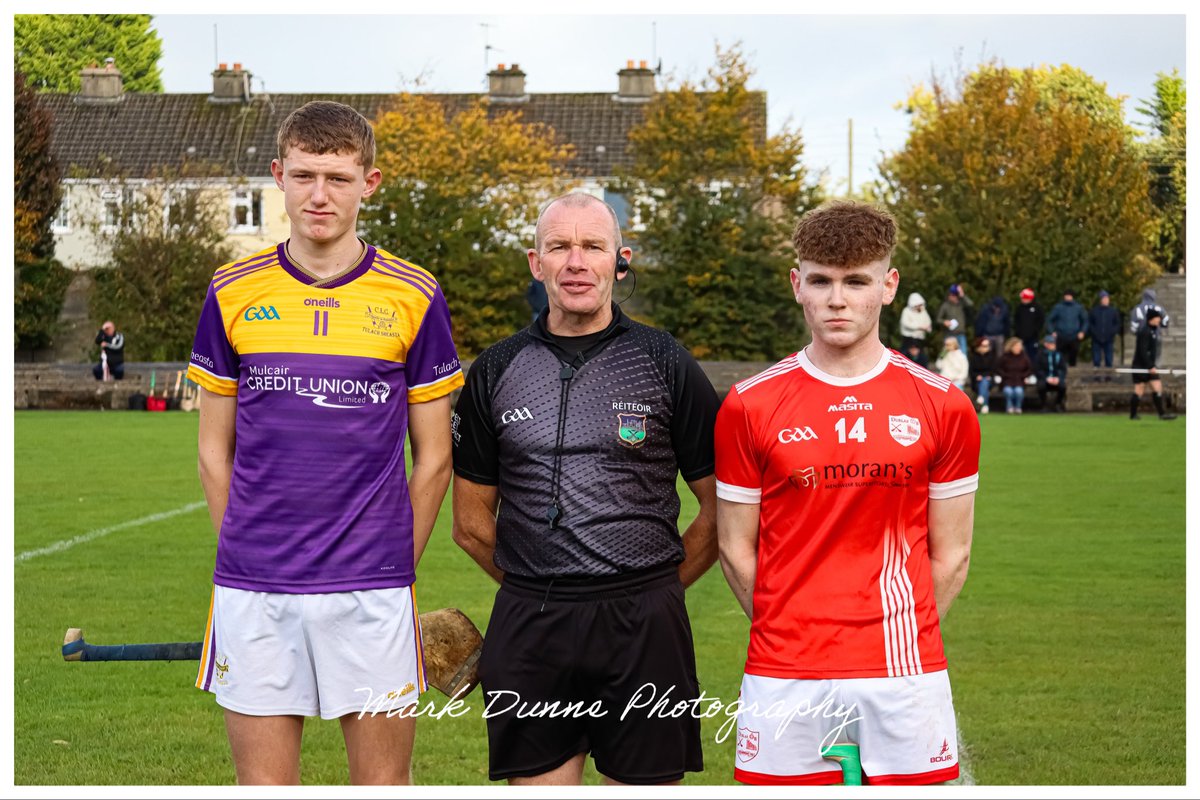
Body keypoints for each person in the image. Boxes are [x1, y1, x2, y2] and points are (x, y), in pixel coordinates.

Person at [185, 101, 464, 785]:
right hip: (255, 589)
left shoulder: (415, 295)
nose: (319, 195)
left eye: (338, 178)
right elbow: (212, 450)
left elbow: (434, 458)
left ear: (370, 182)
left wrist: (396, 563)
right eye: (304, 175)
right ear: (278, 176)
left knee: (381, 787)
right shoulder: (231, 291)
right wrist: (245, 548)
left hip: (372, 589)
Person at [451, 192, 718, 786]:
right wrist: (540, 587)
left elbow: (722, 507)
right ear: (535, 262)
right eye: (559, 247)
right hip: (530, 627)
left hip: (645, 623)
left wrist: (654, 590)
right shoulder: (494, 370)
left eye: (592, 247)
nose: (576, 261)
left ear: (619, 261)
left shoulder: (664, 360)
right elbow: (469, 524)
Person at [714, 201, 980, 785]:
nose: (837, 299)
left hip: (903, 672)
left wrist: (896, 630)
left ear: (888, 287)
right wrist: (789, 627)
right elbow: (735, 549)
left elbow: (953, 554)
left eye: (856, 281)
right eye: (821, 281)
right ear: (797, 285)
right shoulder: (749, 405)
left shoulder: (944, 406)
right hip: (784, 667)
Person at [1129, 309, 1177, 421]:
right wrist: (1150, 366)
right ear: (1152, 319)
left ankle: (1162, 414)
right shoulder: (1144, 331)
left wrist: (1152, 365)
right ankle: (1133, 415)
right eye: (1157, 318)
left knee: (1157, 387)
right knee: (1139, 390)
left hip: (1150, 366)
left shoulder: (1153, 331)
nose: (1159, 320)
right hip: (1140, 366)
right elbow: (1142, 351)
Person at [1046, 289, 1088, 367]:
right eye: (1066, 296)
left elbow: (1085, 320)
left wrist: (1082, 331)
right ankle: (1061, 373)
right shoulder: (1058, 307)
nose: (1068, 297)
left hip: (1074, 336)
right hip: (1061, 336)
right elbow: (1049, 320)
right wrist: (1052, 331)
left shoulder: (1078, 308)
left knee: (1073, 355)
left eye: (1069, 296)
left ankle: (1073, 373)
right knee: (1060, 357)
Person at [996, 337, 1034, 414]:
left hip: (1019, 380)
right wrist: (1004, 376)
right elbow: (998, 369)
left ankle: (1018, 407)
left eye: (1019, 346)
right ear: (1011, 347)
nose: (1018, 348)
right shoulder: (1004, 357)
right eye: (1016, 346)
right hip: (1007, 380)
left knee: (1018, 391)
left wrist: (1024, 376)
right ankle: (1009, 407)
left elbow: (1030, 369)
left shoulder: (1024, 357)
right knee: (1008, 391)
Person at [1088, 290, 1121, 372]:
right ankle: (1096, 377)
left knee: (1109, 360)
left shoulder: (1113, 311)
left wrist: (1112, 332)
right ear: (1100, 300)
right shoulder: (1094, 311)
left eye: (1107, 298)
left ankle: (1108, 377)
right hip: (1096, 338)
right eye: (1104, 298)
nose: (1106, 300)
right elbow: (1090, 323)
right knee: (1096, 360)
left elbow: (1117, 324)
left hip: (1109, 338)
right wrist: (1094, 333)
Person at [935, 284, 972, 355]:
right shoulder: (945, 305)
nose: (952, 297)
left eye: (954, 295)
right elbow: (938, 319)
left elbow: (970, 304)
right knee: (946, 353)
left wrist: (962, 295)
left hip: (961, 333)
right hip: (949, 333)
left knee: (963, 354)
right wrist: (944, 322)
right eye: (951, 295)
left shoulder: (961, 304)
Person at [1035, 334, 1068, 412]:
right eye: (1050, 343)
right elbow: (1038, 369)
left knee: (1062, 387)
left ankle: (1057, 404)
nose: (1053, 345)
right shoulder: (1040, 355)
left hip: (1056, 378)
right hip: (1045, 379)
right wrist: (1046, 378)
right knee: (1041, 386)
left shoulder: (1059, 355)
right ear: (1046, 344)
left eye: (1053, 343)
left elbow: (1063, 369)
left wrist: (1058, 378)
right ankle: (1044, 405)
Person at [1012, 287, 1044, 364]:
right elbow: (1016, 320)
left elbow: (1041, 321)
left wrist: (1035, 331)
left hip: (1033, 337)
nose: (1023, 300)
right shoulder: (1019, 308)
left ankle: (1032, 370)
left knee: (1032, 355)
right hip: (1020, 337)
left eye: (1025, 298)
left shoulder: (1037, 308)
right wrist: (1018, 331)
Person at [967, 337, 997, 414]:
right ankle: (985, 405)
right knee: (983, 383)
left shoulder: (992, 357)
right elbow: (971, 371)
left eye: (987, 346)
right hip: (976, 381)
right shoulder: (973, 357)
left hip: (989, 380)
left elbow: (993, 370)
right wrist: (977, 376)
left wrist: (987, 376)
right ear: (979, 346)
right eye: (983, 346)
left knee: (985, 381)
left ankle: (981, 397)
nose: (985, 348)